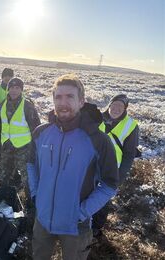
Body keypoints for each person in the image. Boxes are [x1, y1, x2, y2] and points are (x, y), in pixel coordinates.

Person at [27, 74, 119, 260]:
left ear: (82, 101)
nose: (63, 102)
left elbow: (109, 184)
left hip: (75, 226)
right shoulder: (41, 133)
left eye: (70, 96)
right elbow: (31, 164)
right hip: (42, 219)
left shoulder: (98, 140)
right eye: (58, 97)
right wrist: (37, 194)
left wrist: (82, 212)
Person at [92, 94, 139, 236]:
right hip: (90, 165)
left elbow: (129, 154)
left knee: (102, 200)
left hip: (111, 169)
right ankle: (82, 221)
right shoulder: (96, 117)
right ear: (109, 105)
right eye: (114, 104)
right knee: (85, 193)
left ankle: (96, 228)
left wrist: (120, 176)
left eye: (120, 106)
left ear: (125, 109)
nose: (116, 108)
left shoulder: (131, 126)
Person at [0, 77, 40, 196]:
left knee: (27, 177)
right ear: (8, 89)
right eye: (11, 88)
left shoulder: (28, 106)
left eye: (17, 88)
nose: (14, 90)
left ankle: (30, 201)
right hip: (6, 146)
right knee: (3, 173)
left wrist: (36, 149)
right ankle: (3, 197)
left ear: (21, 90)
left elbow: (36, 128)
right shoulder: (2, 106)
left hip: (24, 148)